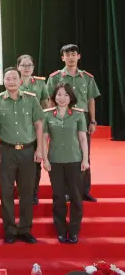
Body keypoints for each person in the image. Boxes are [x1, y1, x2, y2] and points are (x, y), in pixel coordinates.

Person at [0, 67, 44, 244]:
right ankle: (10, 229)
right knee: (6, 191)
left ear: (21, 80)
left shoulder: (31, 99)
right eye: (8, 78)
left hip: (28, 151)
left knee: (26, 192)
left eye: (14, 78)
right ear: (3, 81)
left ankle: (25, 229)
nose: (11, 81)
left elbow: (39, 125)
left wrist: (39, 149)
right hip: (6, 151)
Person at [47, 44, 101, 203]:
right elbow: (50, 100)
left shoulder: (87, 77)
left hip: (82, 118)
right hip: (61, 118)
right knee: (62, 154)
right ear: (62, 58)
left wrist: (92, 120)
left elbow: (91, 99)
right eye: (67, 54)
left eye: (73, 54)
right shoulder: (55, 77)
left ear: (78, 56)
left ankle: (84, 191)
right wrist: (51, 118)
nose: (71, 57)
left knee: (84, 154)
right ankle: (65, 192)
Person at [42, 83, 90, 244]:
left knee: (76, 197)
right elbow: (44, 139)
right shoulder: (48, 115)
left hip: (74, 160)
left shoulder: (78, 115)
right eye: (59, 95)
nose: (62, 98)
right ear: (54, 97)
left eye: (66, 95)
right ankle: (61, 230)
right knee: (58, 197)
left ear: (71, 98)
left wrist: (85, 159)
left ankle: (74, 230)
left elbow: (83, 138)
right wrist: (45, 159)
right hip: (55, 161)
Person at [17, 54, 49, 205]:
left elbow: (45, 105)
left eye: (29, 65)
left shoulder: (40, 83)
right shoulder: (14, 81)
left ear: (33, 67)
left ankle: (34, 193)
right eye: (23, 65)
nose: (26, 68)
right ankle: (22, 193)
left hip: (37, 129)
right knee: (20, 164)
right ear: (18, 67)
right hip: (20, 129)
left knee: (36, 162)